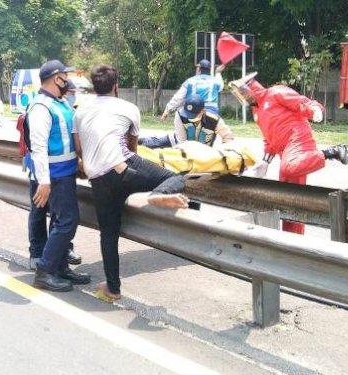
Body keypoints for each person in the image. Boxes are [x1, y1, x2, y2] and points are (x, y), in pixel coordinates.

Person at [73, 64, 189, 302]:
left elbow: (79, 150)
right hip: (123, 167)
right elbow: (132, 148)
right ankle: (156, 194)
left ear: (94, 86)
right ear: (116, 86)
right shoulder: (128, 108)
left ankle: (113, 289)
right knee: (174, 178)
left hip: (98, 179)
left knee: (108, 232)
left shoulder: (80, 111)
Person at [229, 72, 348, 234]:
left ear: (252, 88)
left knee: (289, 168)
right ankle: (291, 237)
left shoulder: (276, 93)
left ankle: (332, 152)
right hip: (285, 151)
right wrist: (265, 162)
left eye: (243, 92)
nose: (243, 97)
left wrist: (314, 109)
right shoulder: (257, 113)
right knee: (287, 196)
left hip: (298, 140)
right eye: (240, 94)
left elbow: (301, 103)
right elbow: (268, 139)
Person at [24, 60, 90, 291]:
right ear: (56, 79)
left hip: (65, 173)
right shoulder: (42, 107)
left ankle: (60, 267)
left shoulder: (59, 102)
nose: (68, 80)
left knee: (60, 222)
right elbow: (39, 148)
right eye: (65, 76)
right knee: (67, 221)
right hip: (53, 176)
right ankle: (45, 271)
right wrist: (44, 182)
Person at [161, 60, 225, 144]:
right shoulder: (216, 82)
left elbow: (178, 97)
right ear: (210, 69)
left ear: (199, 69)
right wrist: (218, 73)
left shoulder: (190, 81)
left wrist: (167, 110)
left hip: (193, 113)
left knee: (186, 140)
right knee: (208, 142)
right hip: (212, 117)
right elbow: (221, 86)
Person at [139, 94, 234, 149]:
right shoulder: (180, 115)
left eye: (192, 115)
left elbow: (228, 137)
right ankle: (142, 140)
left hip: (203, 152)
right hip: (178, 142)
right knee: (152, 144)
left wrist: (225, 153)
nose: (189, 118)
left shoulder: (214, 120)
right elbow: (181, 142)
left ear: (202, 111)